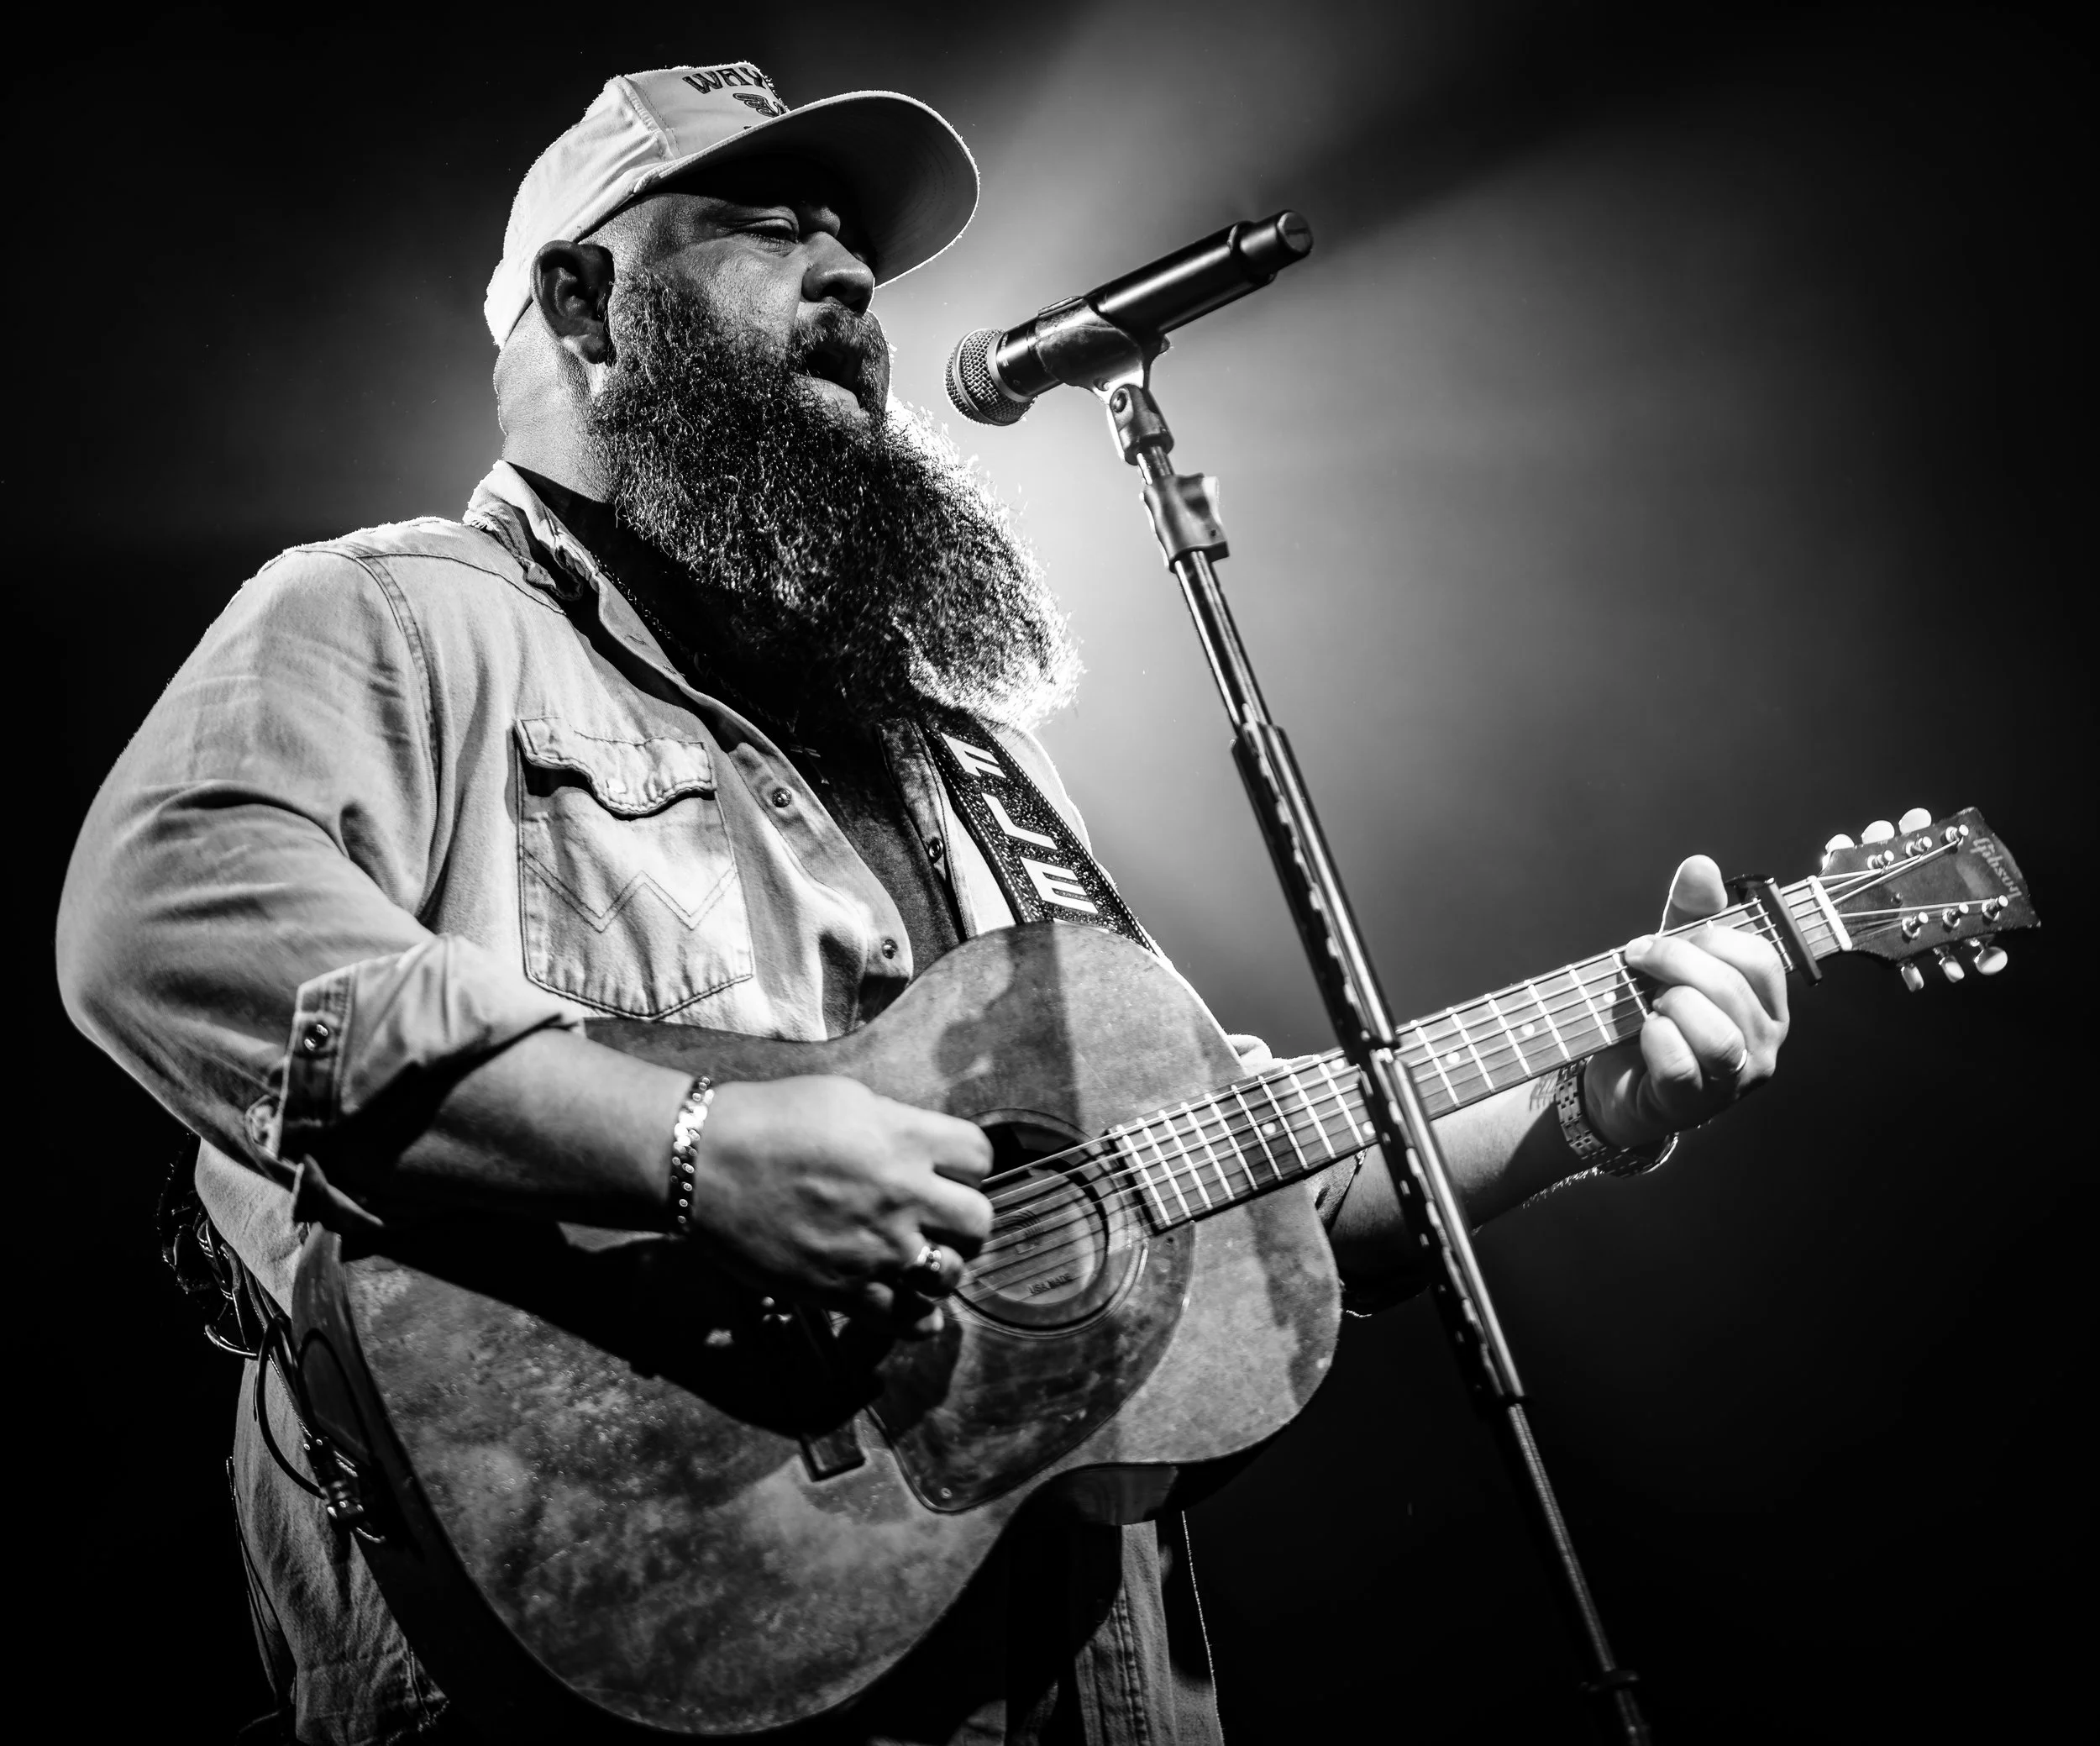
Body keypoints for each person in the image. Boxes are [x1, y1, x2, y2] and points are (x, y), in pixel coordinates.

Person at [55, 61, 1790, 1746]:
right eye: (769, 229)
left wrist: (1589, 1098)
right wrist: (690, 1146)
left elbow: (1221, 1177)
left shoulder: (972, 759)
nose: (848, 287)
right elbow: (169, 922)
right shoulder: (395, 620)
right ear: (585, 307)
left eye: (862, 260)